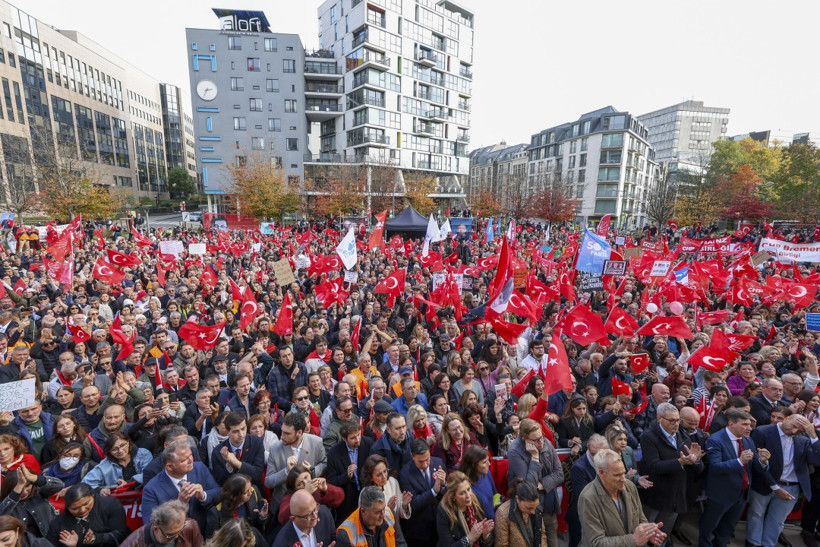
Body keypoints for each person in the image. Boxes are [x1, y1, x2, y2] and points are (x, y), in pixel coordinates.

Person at [699, 409, 771, 547]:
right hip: (721, 494)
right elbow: (715, 467)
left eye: (750, 425)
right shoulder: (716, 440)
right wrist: (739, 461)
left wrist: (763, 461)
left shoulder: (747, 439)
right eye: (744, 424)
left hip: (742, 493)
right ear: (731, 424)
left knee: (728, 527)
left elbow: (756, 464)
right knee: (709, 526)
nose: (749, 428)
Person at [748, 414, 820, 547]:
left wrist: (813, 436)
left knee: (777, 520)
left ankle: (768, 544)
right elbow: (756, 463)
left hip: (790, 487)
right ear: (786, 419)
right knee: (756, 514)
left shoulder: (804, 438)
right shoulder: (762, 432)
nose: (794, 432)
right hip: (765, 482)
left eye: (799, 430)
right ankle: (753, 543)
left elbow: (817, 460)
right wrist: (775, 487)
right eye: (793, 426)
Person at [638, 402, 703, 543]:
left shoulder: (682, 435)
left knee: (662, 536)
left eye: (678, 420)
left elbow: (699, 468)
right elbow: (654, 466)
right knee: (644, 535)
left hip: (674, 497)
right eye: (671, 420)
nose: (675, 424)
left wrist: (695, 459)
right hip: (654, 496)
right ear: (659, 419)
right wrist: (680, 462)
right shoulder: (649, 437)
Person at [577, 449, 665, 547]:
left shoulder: (629, 486)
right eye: (617, 475)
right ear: (601, 473)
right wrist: (633, 540)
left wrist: (649, 535)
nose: (623, 479)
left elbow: (641, 519)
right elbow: (596, 542)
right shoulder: (588, 498)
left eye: (623, 473)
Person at [141, 440, 221, 535]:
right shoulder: (151, 489)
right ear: (170, 467)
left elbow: (218, 492)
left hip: (206, 535)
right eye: (184, 460)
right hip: (176, 539)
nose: (191, 460)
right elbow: (151, 526)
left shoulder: (199, 468)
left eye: (190, 455)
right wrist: (179, 504)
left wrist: (203, 495)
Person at [507, 418, 563, 547]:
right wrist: (535, 457)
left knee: (552, 542)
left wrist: (543, 484)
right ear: (524, 439)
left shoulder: (546, 443)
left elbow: (559, 473)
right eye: (536, 440)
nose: (541, 442)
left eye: (541, 436)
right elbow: (529, 486)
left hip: (548, 505)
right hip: (529, 508)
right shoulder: (514, 451)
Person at [264, 412, 327, 507]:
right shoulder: (274, 449)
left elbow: (324, 464)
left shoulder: (316, 442)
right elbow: (268, 482)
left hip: (310, 502)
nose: (282, 437)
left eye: (287, 433)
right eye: (282, 432)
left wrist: (312, 471)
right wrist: (286, 471)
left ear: (299, 433)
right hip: (283, 505)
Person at [45, 483, 128, 547]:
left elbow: (121, 536)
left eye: (86, 503)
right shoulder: (58, 524)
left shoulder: (110, 505)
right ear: (67, 508)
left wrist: (95, 539)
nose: (82, 510)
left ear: (93, 496)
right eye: (75, 508)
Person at [398, 439, 446, 546]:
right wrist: (434, 491)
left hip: (440, 525)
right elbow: (413, 503)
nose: (425, 464)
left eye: (427, 460)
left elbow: (447, 493)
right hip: (420, 532)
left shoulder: (438, 463)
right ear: (412, 456)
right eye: (420, 461)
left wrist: (443, 485)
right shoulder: (405, 474)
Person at [326, 420, 374, 524]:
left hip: (367, 496)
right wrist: (346, 475)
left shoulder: (368, 443)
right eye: (353, 438)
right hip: (346, 502)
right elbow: (331, 482)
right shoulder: (334, 454)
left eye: (358, 435)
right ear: (344, 439)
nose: (357, 440)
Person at [0, 465, 64, 539]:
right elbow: (2, 514)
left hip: (50, 539)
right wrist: (18, 487)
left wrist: (33, 477)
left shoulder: (39, 493)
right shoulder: (7, 504)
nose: (24, 492)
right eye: (20, 487)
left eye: (27, 485)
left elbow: (59, 485)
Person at [567, 434, 608, 547]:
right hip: (581, 518)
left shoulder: (608, 461)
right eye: (594, 453)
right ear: (588, 448)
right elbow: (585, 497)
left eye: (602, 454)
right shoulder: (579, 467)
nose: (597, 457)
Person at [435, 471, 494, 547]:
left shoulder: (476, 501)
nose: (468, 495)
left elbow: (486, 543)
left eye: (468, 489)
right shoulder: (444, 511)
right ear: (453, 496)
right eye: (462, 493)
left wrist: (485, 535)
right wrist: (469, 539)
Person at [81, 432, 153, 493]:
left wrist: (128, 483)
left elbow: (149, 474)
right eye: (114, 449)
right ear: (109, 452)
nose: (120, 451)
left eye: (122, 445)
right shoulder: (105, 465)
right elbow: (85, 483)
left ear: (128, 442)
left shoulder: (143, 454)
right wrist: (100, 490)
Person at [205, 474, 269, 543]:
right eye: (246, 492)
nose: (250, 493)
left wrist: (263, 517)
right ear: (235, 495)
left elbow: (258, 526)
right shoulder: (216, 513)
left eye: (250, 489)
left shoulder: (254, 492)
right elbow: (210, 540)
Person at [337, 486, 407, 547]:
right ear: (363, 511)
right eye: (377, 512)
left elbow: (401, 544)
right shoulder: (346, 534)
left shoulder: (389, 513)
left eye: (383, 509)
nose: (383, 515)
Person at [209, 412, 265, 486]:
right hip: (231, 494)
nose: (241, 434)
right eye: (236, 431)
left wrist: (237, 463)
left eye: (243, 429)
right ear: (227, 432)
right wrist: (228, 467)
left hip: (253, 489)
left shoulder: (256, 442)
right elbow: (220, 482)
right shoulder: (218, 452)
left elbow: (257, 474)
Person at [121, 499, 204, 547]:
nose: (177, 536)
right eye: (170, 535)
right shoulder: (133, 544)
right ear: (156, 529)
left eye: (182, 527)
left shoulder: (191, 526)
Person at [271, 489, 336, 547]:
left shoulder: (324, 513)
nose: (315, 516)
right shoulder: (282, 543)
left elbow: (334, 539)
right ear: (293, 519)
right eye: (308, 515)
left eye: (315, 509)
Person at [494, 478, 548, 547]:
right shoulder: (502, 513)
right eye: (528, 508)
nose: (533, 512)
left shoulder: (534, 506)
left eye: (535, 507)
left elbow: (542, 534)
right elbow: (501, 545)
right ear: (517, 499)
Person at [361, 454, 412, 520]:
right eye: (379, 475)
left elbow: (400, 513)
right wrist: (388, 509)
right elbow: (368, 520)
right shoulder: (366, 493)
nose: (384, 476)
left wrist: (404, 505)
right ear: (370, 477)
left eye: (385, 471)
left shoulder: (392, 482)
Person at [459, 445, 497, 520]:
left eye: (488, 460)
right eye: (484, 462)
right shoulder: (465, 486)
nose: (489, 464)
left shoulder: (487, 473)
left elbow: (495, 495)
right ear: (473, 465)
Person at [371, 412, 414, 479]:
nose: (402, 432)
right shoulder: (378, 449)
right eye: (398, 428)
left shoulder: (410, 438)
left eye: (404, 426)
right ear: (388, 430)